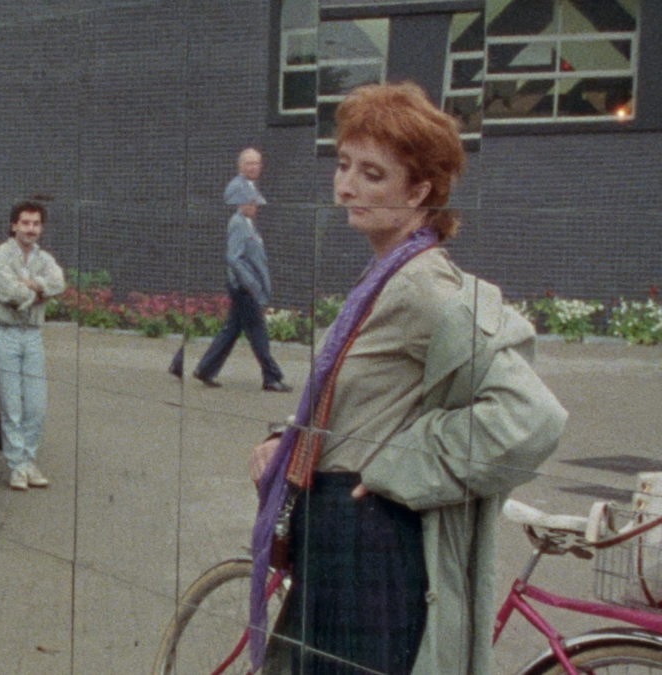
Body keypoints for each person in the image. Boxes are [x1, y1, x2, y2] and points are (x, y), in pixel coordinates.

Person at [246, 82, 568, 675]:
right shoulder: (388, 273)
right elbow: (362, 397)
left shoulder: (425, 285)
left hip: (371, 536)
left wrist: (404, 463)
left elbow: (533, 417)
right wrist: (288, 438)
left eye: (373, 174)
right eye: (344, 165)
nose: (346, 186)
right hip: (342, 525)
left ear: (420, 190)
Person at [170, 148, 292, 392]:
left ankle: (202, 369)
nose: (255, 205)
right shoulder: (239, 223)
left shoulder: (248, 222)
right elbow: (233, 258)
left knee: (231, 329)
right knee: (257, 331)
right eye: (251, 202)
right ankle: (271, 376)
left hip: (242, 286)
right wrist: (251, 283)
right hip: (243, 288)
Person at [0, 200, 66, 490]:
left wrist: (32, 285)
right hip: (4, 332)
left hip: (32, 334)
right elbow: (8, 292)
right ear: (14, 225)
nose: (30, 229)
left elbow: (59, 282)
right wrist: (40, 291)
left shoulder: (43, 258)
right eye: (25, 223)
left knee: (36, 405)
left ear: (40, 227)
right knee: (11, 405)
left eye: (35, 224)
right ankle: (17, 467)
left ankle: (29, 460)